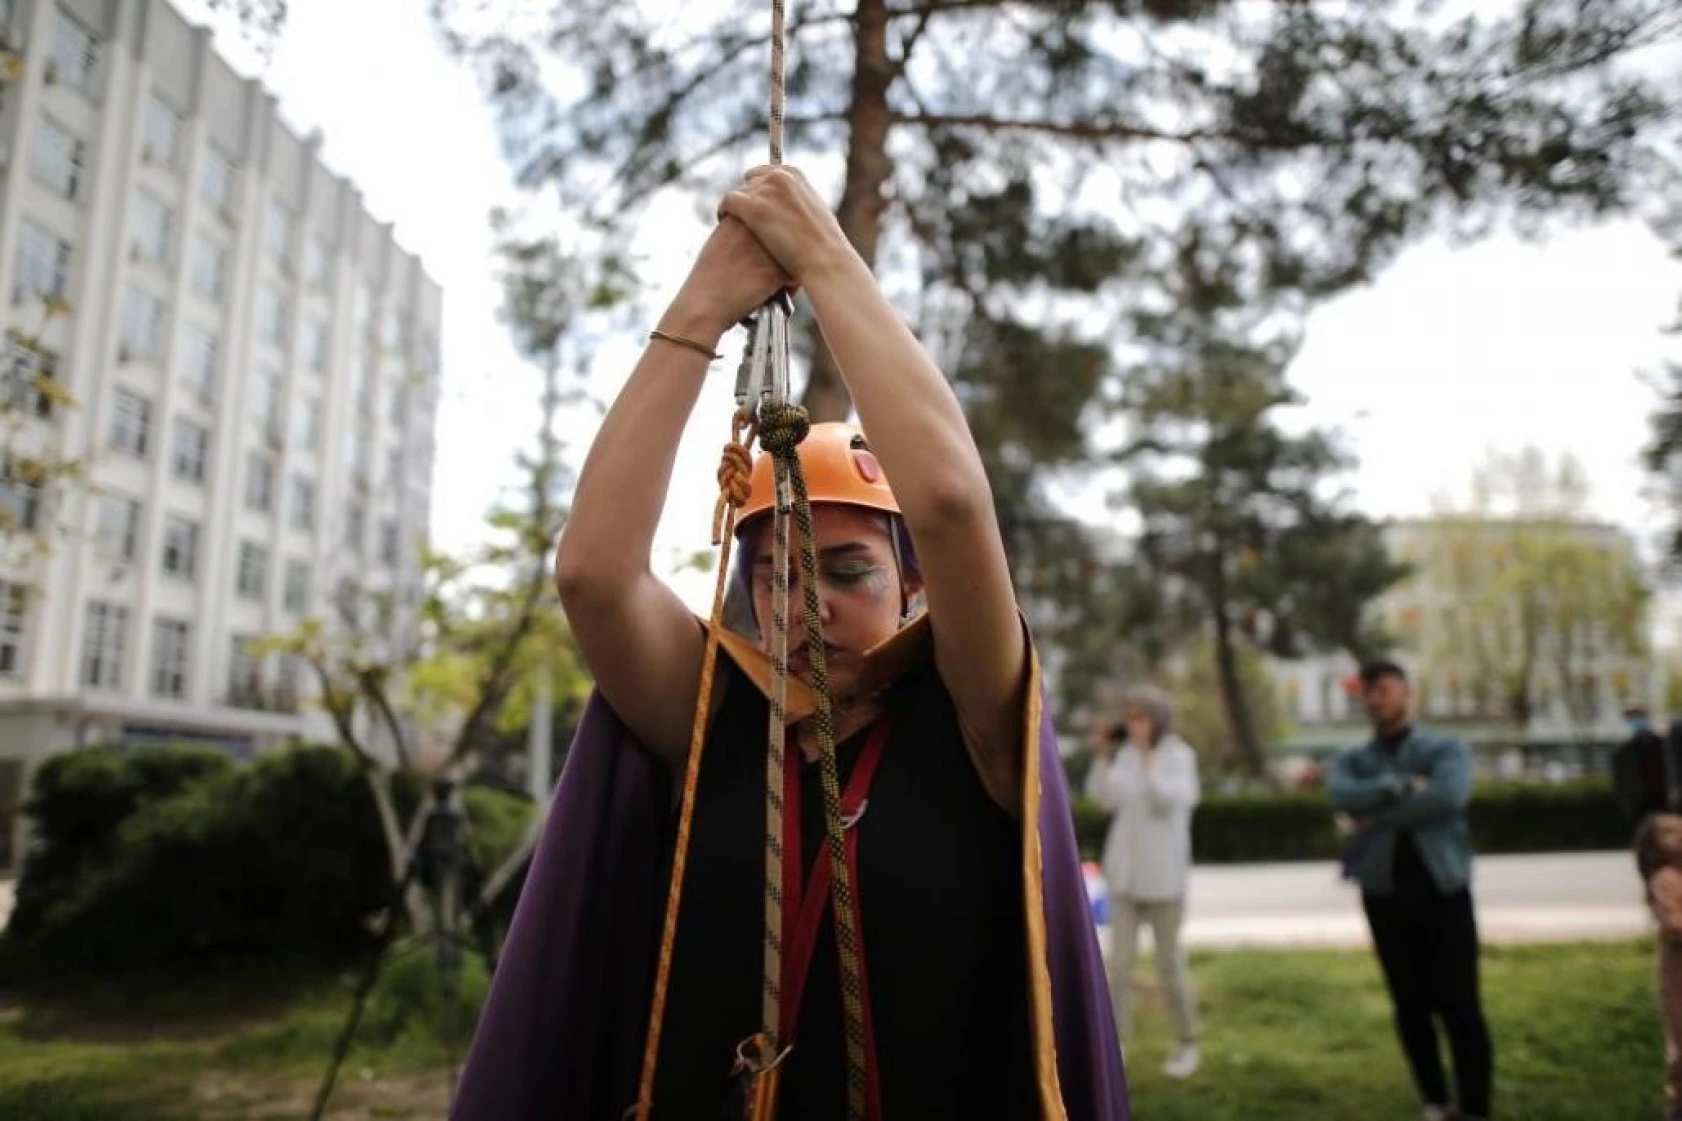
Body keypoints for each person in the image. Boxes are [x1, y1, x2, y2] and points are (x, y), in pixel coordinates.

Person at [451, 166, 1128, 1120]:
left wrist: (823, 257)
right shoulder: (716, 718)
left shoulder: (973, 715)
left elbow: (946, 499)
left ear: (915, 586)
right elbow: (593, 575)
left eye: (850, 570)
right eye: (775, 574)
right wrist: (701, 304)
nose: (806, 603)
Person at [1327, 659, 1494, 1121]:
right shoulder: (1355, 759)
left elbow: (1447, 798)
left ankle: (1475, 1106)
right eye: (1368, 691)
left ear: (1406, 692)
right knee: (1409, 1004)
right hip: (1383, 893)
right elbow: (1340, 795)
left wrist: (1376, 816)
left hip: (1444, 889)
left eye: (1384, 688)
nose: (1375, 698)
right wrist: (1399, 785)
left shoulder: (1446, 747)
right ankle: (1435, 1101)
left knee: (1460, 1003)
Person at [1084, 685, 1201, 1079]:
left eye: (1140, 717)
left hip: (1165, 880)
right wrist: (1103, 757)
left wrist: (1149, 757)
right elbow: (1103, 799)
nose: (1133, 725)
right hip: (1125, 877)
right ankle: (1117, 1044)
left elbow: (1166, 801)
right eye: (1129, 717)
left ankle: (1186, 1043)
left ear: (1157, 719)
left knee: (1170, 966)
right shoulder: (1127, 757)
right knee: (1120, 966)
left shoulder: (1179, 757)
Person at [1635, 813, 1682, 1121]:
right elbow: (1674, 925)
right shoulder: (1665, 879)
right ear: (1653, 848)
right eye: (1667, 832)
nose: (1678, 834)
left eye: (1679, 828)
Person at [1614, 706, 1675, 837]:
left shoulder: (1663, 744)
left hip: (1663, 801)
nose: (1636, 720)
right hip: (1638, 806)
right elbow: (1620, 781)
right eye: (1632, 717)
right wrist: (1627, 803)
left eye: (1639, 716)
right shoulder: (1622, 751)